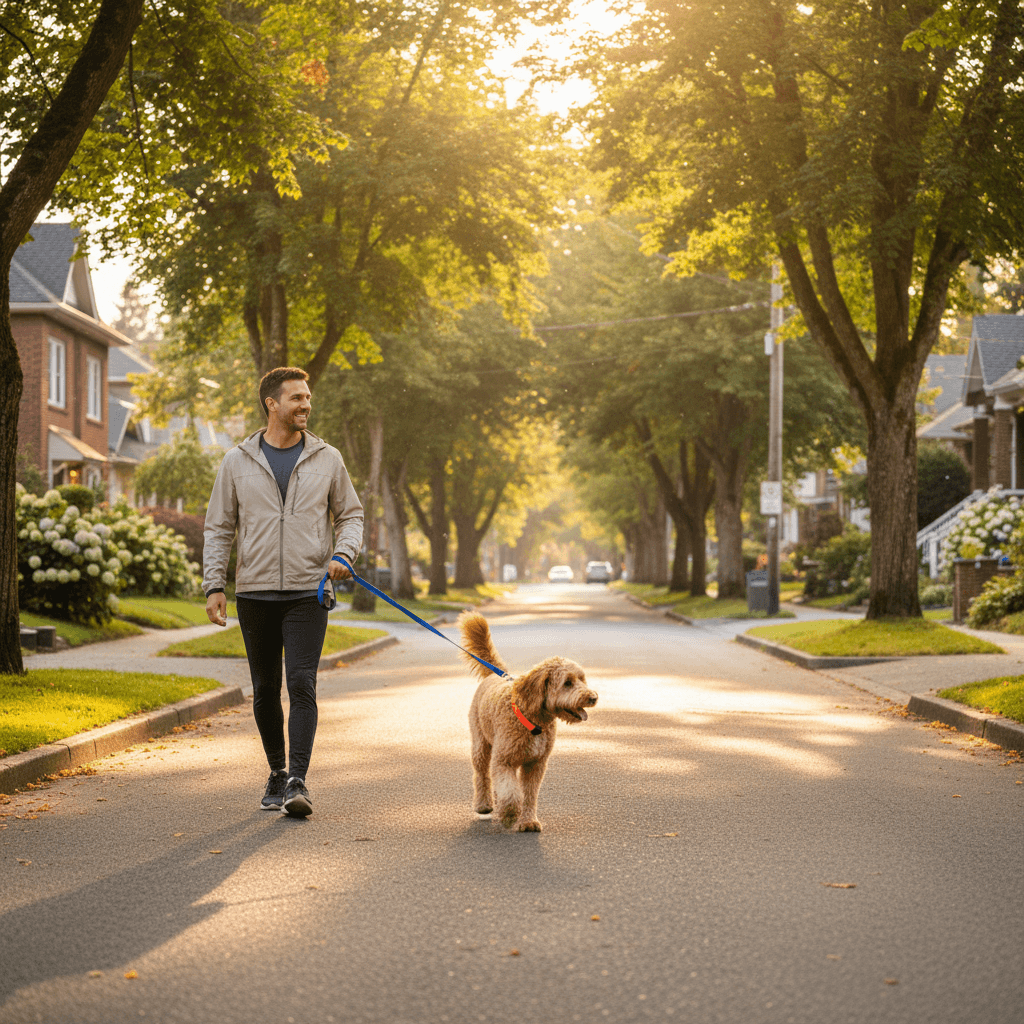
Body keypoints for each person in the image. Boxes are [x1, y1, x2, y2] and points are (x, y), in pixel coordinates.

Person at [203, 367, 363, 817]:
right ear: (272, 404)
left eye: (307, 397)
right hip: (253, 592)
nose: (305, 405)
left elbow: (350, 515)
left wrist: (344, 554)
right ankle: (276, 771)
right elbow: (219, 528)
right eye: (296, 398)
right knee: (264, 688)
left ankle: (298, 780)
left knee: (301, 682)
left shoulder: (327, 458)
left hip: (307, 592)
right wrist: (214, 584)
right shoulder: (236, 460)